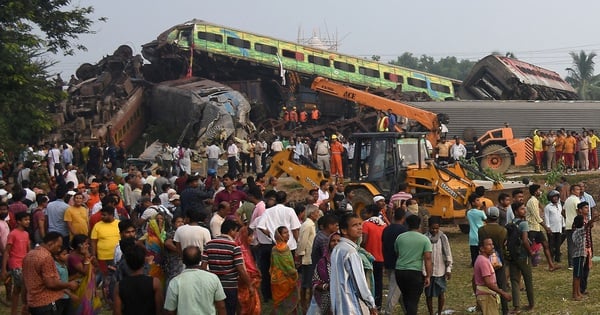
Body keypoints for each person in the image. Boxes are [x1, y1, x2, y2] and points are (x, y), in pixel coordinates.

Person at [201, 220, 251, 315]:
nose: (237, 234)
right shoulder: (234, 246)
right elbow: (240, 269)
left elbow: (203, 266)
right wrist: (249, 285)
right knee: (229, 310)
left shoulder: (209, 244)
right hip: (230, 285)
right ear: (231, 231)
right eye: (236, 231)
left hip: (213, 285)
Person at [330, 214, 377, 314]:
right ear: (344, 230)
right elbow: (359, 282)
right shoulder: (350, 252)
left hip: (338, 304)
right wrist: (371, 304)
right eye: (354, 225)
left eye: (360, 224)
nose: (359, 227)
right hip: (350, 305)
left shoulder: (337, 249)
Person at [22, 232, 79, 315]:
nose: (59, 249)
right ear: (50, 244)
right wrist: (69, 284)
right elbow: (51, 283)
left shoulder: (28, 255)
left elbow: (24, 281)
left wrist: (25, 302)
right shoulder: (46, 257)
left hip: (33, 303)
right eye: (58, 246)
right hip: (47, 304)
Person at [164, 246, 226, 315]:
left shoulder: (175, 282)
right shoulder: (213, 278)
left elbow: (170, 310)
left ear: (183, 260)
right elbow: (221, 306)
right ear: (200, 259)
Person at [395, 214, 432, 315]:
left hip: (400, 271)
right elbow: (428, 258)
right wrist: (428, 276)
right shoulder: (424, 239)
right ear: (419, 225)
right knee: (413, 300)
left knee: (406, 296)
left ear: (407, 225)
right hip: (414, 272)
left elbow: (397, 253)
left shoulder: (400, 238)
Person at [113, 245, 163, 315]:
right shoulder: (155, 283)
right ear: (143, 261)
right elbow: (159, 310)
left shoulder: (118, 286)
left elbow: (117, 312)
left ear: (127, 263)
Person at [478, 207, 509, 315]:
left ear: (487, 216)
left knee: (486, 283)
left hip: (486, 259)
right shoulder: (503, 230)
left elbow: (480, 243)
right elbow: (505, 245)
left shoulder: (482, 230)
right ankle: (505, 310)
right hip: (499, 259)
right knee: (501, 283)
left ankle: (483, 306)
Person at [1, 212, 31, 315]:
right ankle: (25, 309)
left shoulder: (26, 234)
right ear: (18, 221)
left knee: (17, 289)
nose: (28, 221)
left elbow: (28, 250)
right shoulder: (13, 234)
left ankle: (14, 312)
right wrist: (4, 269)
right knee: (25, 286)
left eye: (28, 219)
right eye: (25, 220)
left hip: (24, 263)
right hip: (15, 264)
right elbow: (7, 251)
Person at [507, 202, 534, 313]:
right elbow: (524, 240)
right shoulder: (523, 224)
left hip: (513, 255)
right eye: (522, 209)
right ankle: (531, 304)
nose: (525, 211)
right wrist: (530, 252)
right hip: (523, 255)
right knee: (528, 280)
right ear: (516, 211)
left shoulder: (511, 223)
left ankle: (516, 306)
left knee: (514, 280)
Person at [474, 238, 512, 315]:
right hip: (486, 296)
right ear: (482, 248)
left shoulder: (483, 259)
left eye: (492, 244)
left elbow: (473, 278)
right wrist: (503, 293)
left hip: (485, 295)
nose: (492, 247)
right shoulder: (483, 261)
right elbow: (488, 283)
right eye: (489, 245)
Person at [525, 184, 558, 271]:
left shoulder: (535, 201)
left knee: (545, 244)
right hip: (531, 227)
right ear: (535, 192)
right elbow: (537, 217)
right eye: (539, 190)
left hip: (536, 227)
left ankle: (551, 265)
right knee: (528, 248)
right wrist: (546, 227)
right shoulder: (532, 201)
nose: (540, 192)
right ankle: (525, 265)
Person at [424, 216, 452, 315]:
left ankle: (439, 312)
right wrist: (424, 272)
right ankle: (431, 312)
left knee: (441, 293)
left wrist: (448, 269)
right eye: (432, 228)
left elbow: (448, 254)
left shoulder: (443, 238)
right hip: (428, 271)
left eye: (437, 228)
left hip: (441, 270)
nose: (434, 230)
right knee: (428, 294)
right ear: (429, 227)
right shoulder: (425, 238)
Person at [382, 207, 407, 315]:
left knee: (398, 290)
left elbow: (383, 246)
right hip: (399, 264)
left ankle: (408, 311)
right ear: (403, 217)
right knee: (394, 290)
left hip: (388, 261)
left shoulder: (386, 229)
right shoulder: (403, 231)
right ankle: (387, 311)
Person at [67, 234, 101, 314]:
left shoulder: (85, 254)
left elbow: (96, 267)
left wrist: (92, 259)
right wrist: (86, 256)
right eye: (86, 244)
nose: (88, 245)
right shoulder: (73, 257)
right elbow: (84, 272)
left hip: (89, 287)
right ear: (79, 245)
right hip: (78, 287)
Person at [361, 204, 387, 309]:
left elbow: (364, 241)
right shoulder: (383, 225)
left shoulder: (366, 224)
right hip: (380, 257)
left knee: (367, 281)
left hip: (368, 258)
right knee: (378, 281)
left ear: (370, 212)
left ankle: (368, 302)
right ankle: (378, 303)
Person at [270, 226, 300, 314]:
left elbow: (272, 265)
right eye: (285, 233)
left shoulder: (274, 249)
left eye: (288, 232)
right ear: (279, 235)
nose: (288, 234)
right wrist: (294, 273)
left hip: (276, 280)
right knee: (290, 300)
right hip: (286, 279)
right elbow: (287, 266)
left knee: (279, 302)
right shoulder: (285, 248)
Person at [295, 205, 320, 311]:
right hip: (307, 257)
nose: (318, 214)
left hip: (310, 256)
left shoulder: (311, 224)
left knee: (308, 281)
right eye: (317, 212)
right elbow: (302, 241)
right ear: (312, 214)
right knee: (306, 282)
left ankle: (307, 303)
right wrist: (300, 255)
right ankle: (304, 304)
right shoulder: (308, 225)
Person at [311, 232, 340, 315]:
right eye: (333, 241)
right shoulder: (323, 261)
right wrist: (326, 286)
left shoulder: (346, 260)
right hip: (326, 297)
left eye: (339, 241)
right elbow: (315, 281)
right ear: (328, 243)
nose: (336, 243)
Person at [235, 226, 261, 315]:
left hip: (246, 283)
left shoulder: (246, 248)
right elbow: (244, 269)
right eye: (250, 236)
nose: (252, 238)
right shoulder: (242, 250)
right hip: (246, 283)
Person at [544, 190, 564, 263]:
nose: (555, 198)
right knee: (551, 244)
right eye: (553, 197)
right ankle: (551, 257)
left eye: (556, 197)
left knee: (558, 244)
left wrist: (563, 225)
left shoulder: (559, 205)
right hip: (551, 228)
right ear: (550, 198)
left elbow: (561, 216)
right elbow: (546, 218)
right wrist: (548, 228)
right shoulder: (548, 207)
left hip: (559, 228)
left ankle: (557, 258)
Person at [467, 194, 486, 266]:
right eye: (477, 200)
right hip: (480, 234)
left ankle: (474, 263)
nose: (479, 201)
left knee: (474, 252)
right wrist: (483, 209)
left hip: (472, 235)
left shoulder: (469, 213)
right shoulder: (481, 212)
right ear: (473, 203)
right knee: (482, 251)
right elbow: (485, 218)